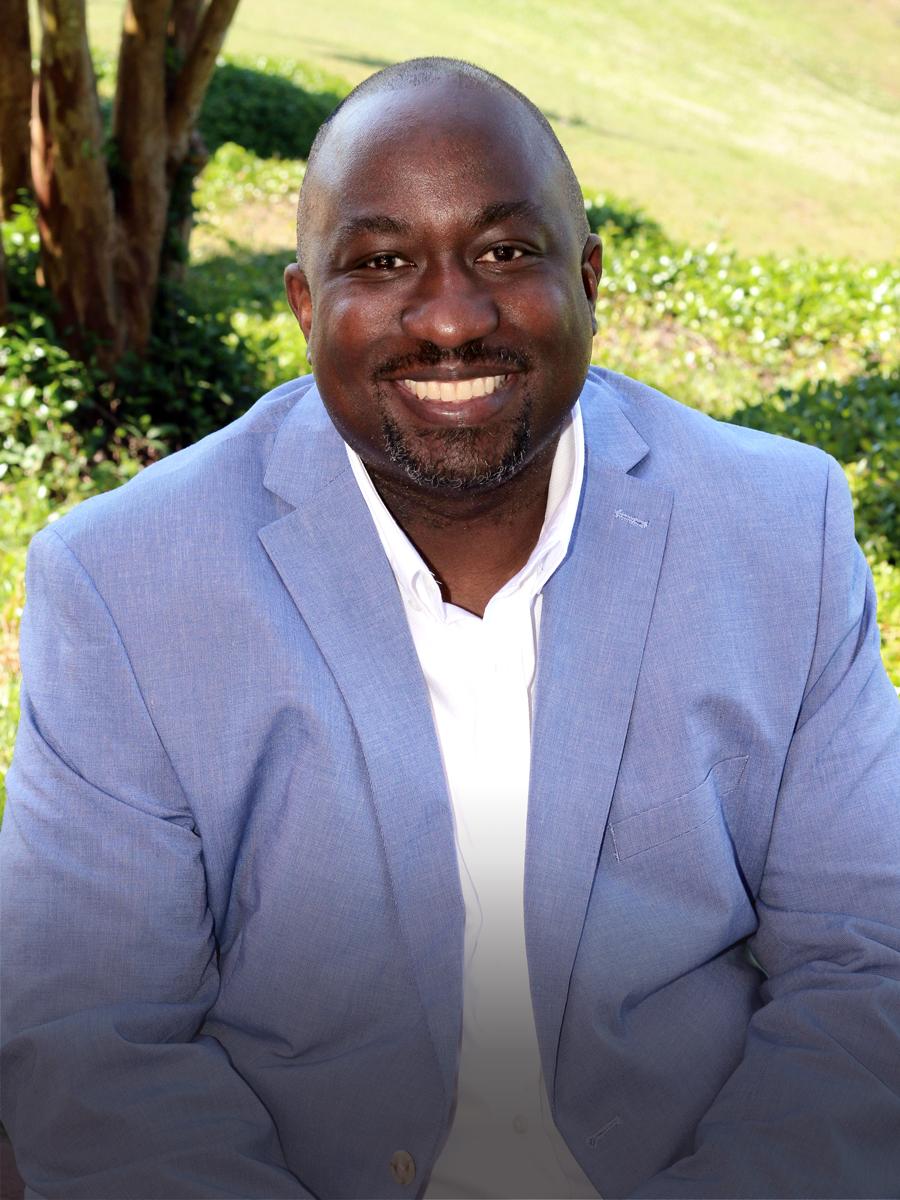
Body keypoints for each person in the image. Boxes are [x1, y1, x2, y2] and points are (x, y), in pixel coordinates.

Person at [1, 55, 898, 1200]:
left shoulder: (778, 527)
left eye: (505, 253)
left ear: (589, 275)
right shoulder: (125, 582)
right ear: (301, 303)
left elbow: (871, 962)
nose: (451, 318)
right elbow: (95, 1036)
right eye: (380, 263)